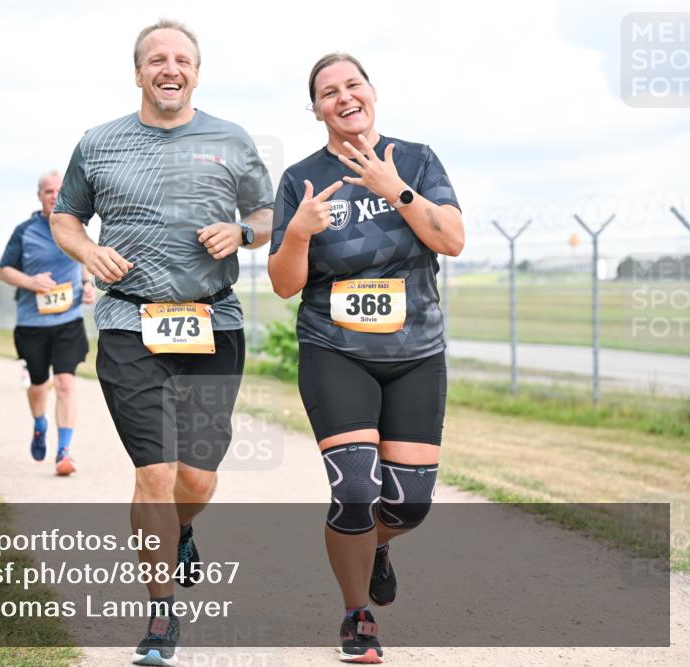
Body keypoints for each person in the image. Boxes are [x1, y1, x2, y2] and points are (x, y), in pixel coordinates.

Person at [50, 19, 273, 666]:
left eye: (181, 59)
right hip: (128, 323)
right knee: (154, 471)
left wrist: (245, 236)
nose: (168, 68)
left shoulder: (231, 140)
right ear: (139, 71)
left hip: (212, 324)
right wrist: (88, 250)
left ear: (196, 72)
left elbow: (266, 213)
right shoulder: (99, 142)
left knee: (197, 477)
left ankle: (182, 530)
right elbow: (66, 214)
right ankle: (160, 614)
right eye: (156, 59)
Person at [268, 53, 464, 664]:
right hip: (335, 347)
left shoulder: (418, 159)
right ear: (316, 108)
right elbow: (282, 283)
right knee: (355, 489)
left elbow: (451, 240)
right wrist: (298, 231)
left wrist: (395, 190)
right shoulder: (301, 176)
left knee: (408, 502)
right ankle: (357, 614)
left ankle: (377, 545)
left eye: (353, 85)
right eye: (329, 92)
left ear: (372, 92)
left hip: (416, 351)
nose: (343, 97)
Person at [0, 170, 94, 476]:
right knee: (39, 386)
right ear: (39, 196)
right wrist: (29, 281)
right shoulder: (24, 231)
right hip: (32, 324)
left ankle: (64, 451)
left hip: (69, 321)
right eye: (48, 191)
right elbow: (4, 270)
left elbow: (85, 260)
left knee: (65, 383)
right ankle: (40, 424)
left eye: (59, 190)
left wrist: (89, 283)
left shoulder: (76, 227)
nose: (54, 195)